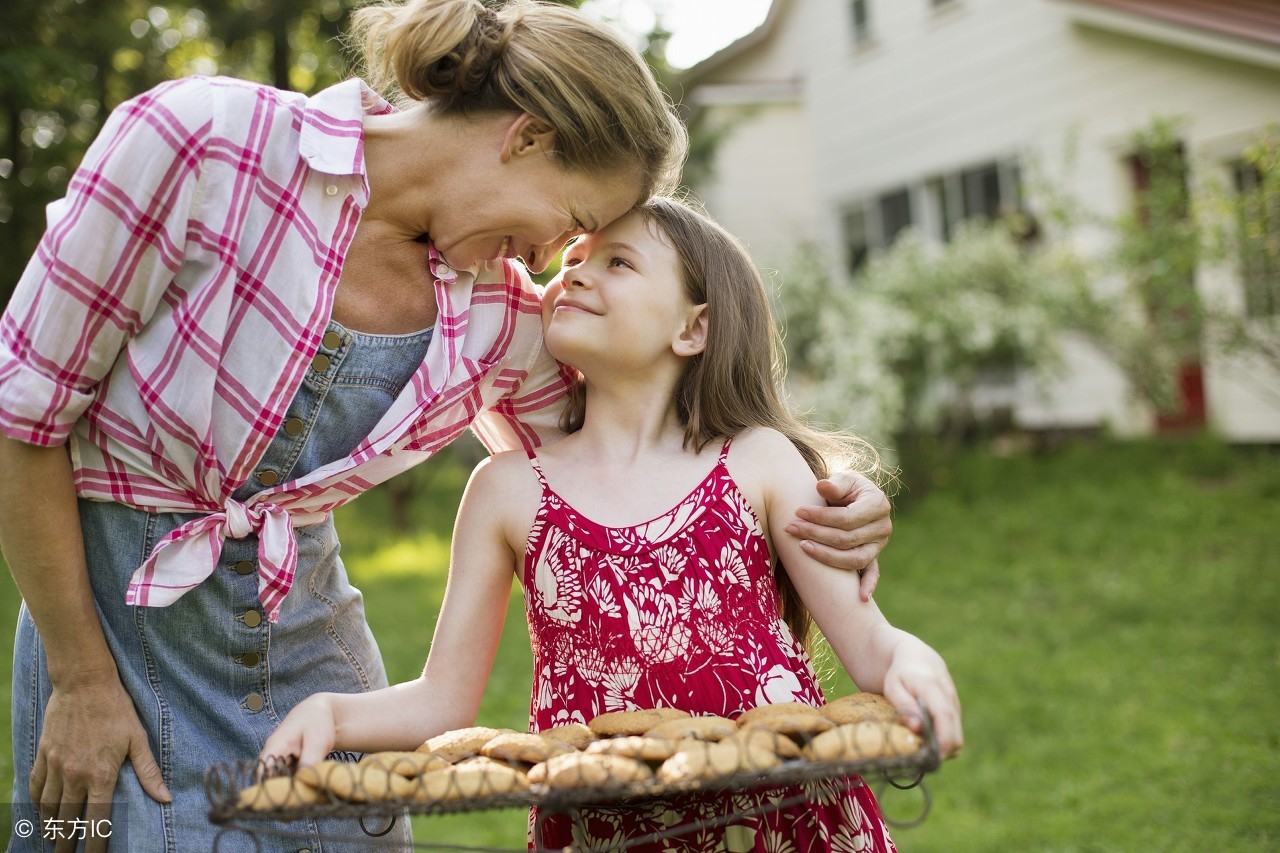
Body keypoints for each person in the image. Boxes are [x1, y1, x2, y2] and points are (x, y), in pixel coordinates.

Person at [0, 1, 894, 850]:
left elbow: (650, 477)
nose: (552, 260)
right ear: (527, 136)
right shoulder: (201, 145)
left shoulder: (506, 321)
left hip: (314, 660)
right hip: (111, 635)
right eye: (572, 223)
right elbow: (23, 417)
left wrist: (827, 503)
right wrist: (80, 677)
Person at [262, 197, 963, 851]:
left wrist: (917, 669)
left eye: (617, 262)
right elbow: (443, 701)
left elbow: (875, 647)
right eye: (570, 263)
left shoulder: (756, 463)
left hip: (786, 822)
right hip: (608, 833)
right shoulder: (507, 491)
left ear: (693, 327)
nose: (575, 276)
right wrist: (334, 712)